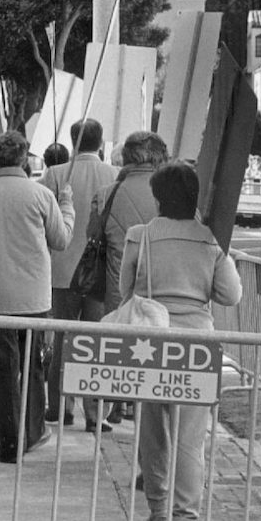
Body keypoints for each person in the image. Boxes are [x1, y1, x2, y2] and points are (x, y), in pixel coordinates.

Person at [120, 163, 242, 521]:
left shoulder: (139, 236)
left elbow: (126, 291)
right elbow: (230, 295)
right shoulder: (211, 241)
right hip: (197, 348)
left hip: (150, 340)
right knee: (191, 440)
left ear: (157, 198)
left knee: (152, 428)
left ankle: (157, 509)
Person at [0, 130, 74, 463]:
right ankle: (33, 432)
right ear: (24, 160)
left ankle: (9, 443)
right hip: (34, 298)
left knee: (3, 371)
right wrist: (66, 205)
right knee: (35, 366)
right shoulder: (41, 195)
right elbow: (61, 239)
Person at [38, 119, 118, 432]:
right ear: (101, 143)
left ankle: (59, 407)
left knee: (62, 340)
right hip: (101, 272)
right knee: (96, 342)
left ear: (73, 141)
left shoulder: (55, 175)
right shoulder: (114, 176)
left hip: (61, 270)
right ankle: (96, 412)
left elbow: (43, 222)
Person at [93, 132, 169, 423]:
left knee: (119, 347)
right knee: (154, 352)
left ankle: (116, 404)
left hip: (119, 286)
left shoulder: (107, 193)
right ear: (156, 158)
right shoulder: (170, 192)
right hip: (161, 289)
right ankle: (143, 407)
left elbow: (92, 232)